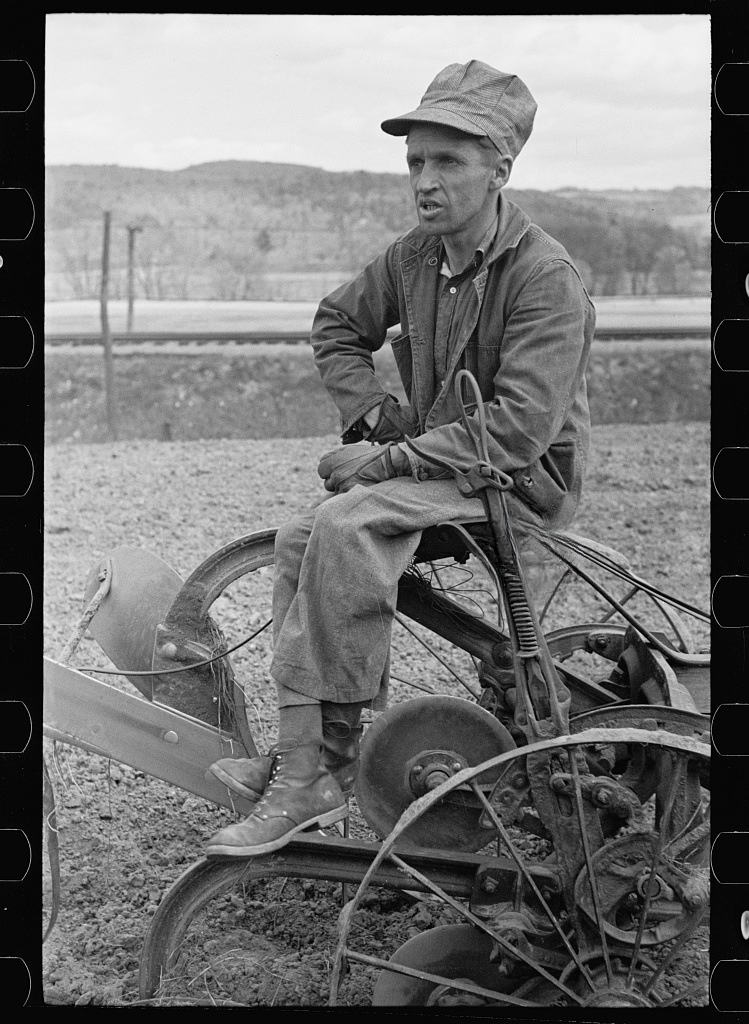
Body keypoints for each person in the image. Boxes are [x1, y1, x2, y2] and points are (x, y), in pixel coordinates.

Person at [205, 60, 595, 859]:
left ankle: (317, 773)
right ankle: (306, 755)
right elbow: (335, 324)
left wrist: (384, 463)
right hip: (442, 469)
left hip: (515, 483)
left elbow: (517, 432)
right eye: (415, 161)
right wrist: (374, 418)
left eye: (446, 161)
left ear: (499, 170)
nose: (424, 180)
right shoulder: (416, 257)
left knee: (346, 524)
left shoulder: (544, 277)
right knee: (299, 536)